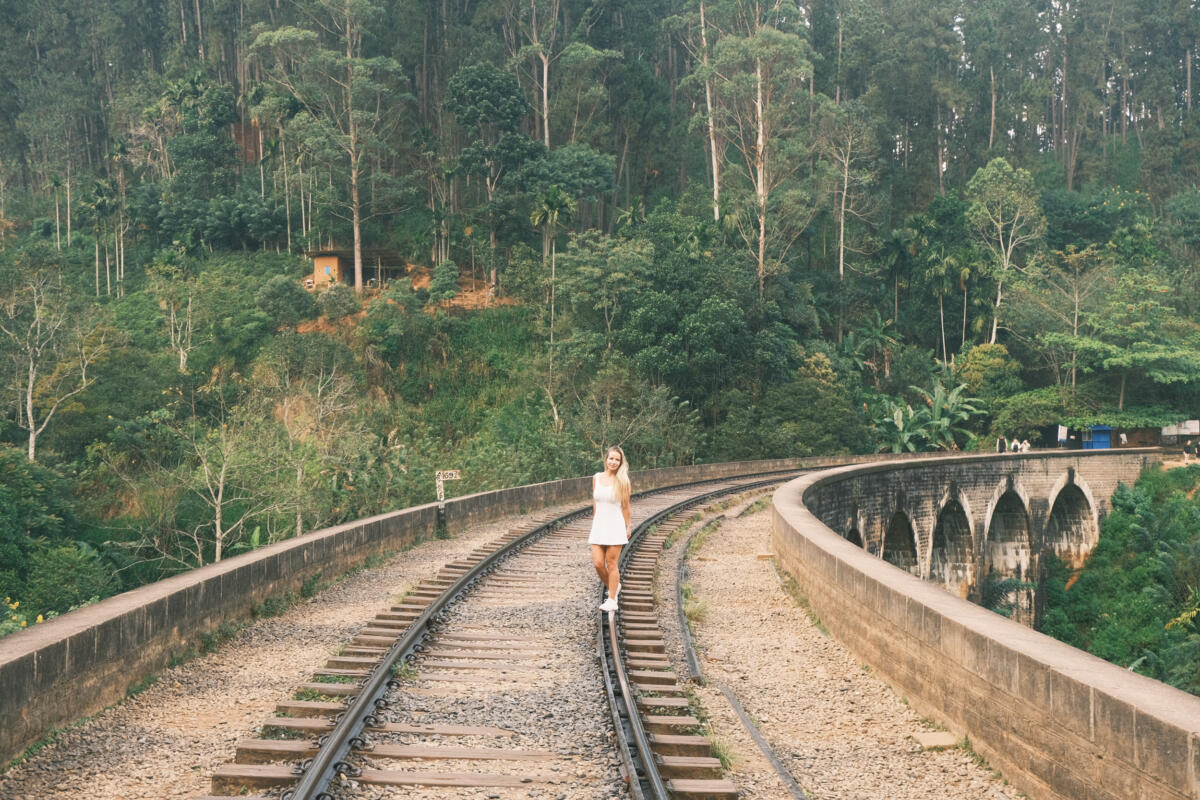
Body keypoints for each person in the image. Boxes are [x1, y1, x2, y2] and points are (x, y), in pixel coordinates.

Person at [589, 446, 631, 612]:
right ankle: (614, 586)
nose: (613, 462)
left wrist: (628, 526)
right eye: (611, 458)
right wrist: (594, 521)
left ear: (621, 463)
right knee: (598, 563)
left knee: (611, 564)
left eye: (617, 460)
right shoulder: (596, 478)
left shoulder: (623, 481)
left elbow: (626, 506)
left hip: (615, 526)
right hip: (599, 525)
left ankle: (612, 599)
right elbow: (596, 502)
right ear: (606, 460)